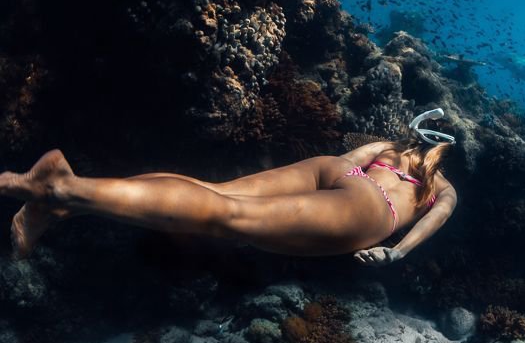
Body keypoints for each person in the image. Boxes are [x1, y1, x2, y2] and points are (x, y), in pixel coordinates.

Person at [0, 108, 458, 267]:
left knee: (213, 193)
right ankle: (62, 188)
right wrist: (393, 254)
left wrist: (356, 175)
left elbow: (346, 164)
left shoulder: (389, 146)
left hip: (338, 170)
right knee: (227, 218)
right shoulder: (443, 187)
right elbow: (427, 226)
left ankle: (64, 204)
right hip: (371, 208)